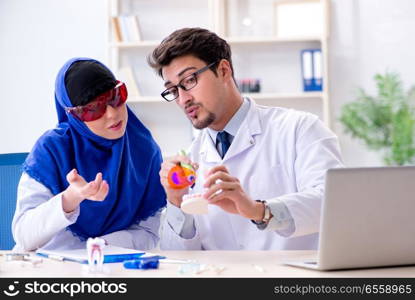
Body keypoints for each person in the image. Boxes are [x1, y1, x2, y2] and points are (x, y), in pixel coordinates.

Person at [148, 28, 343, 250]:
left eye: (190, 80)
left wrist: (258, 210)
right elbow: (178, 259)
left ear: (223, 70)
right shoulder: (189, 160)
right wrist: (176, 202)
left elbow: (332, 203)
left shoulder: (299, 129)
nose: (183, 99)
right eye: (173, 90)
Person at [12, 57, 166, 251]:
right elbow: (24, 236)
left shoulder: (144, 150)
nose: (112, 114)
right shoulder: (52, 149)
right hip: (52, 267)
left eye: (115, 97)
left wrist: (101, 247)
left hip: (116, 265)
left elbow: (148, 232)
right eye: (93, 109)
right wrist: (70, 198)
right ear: (73, 115)